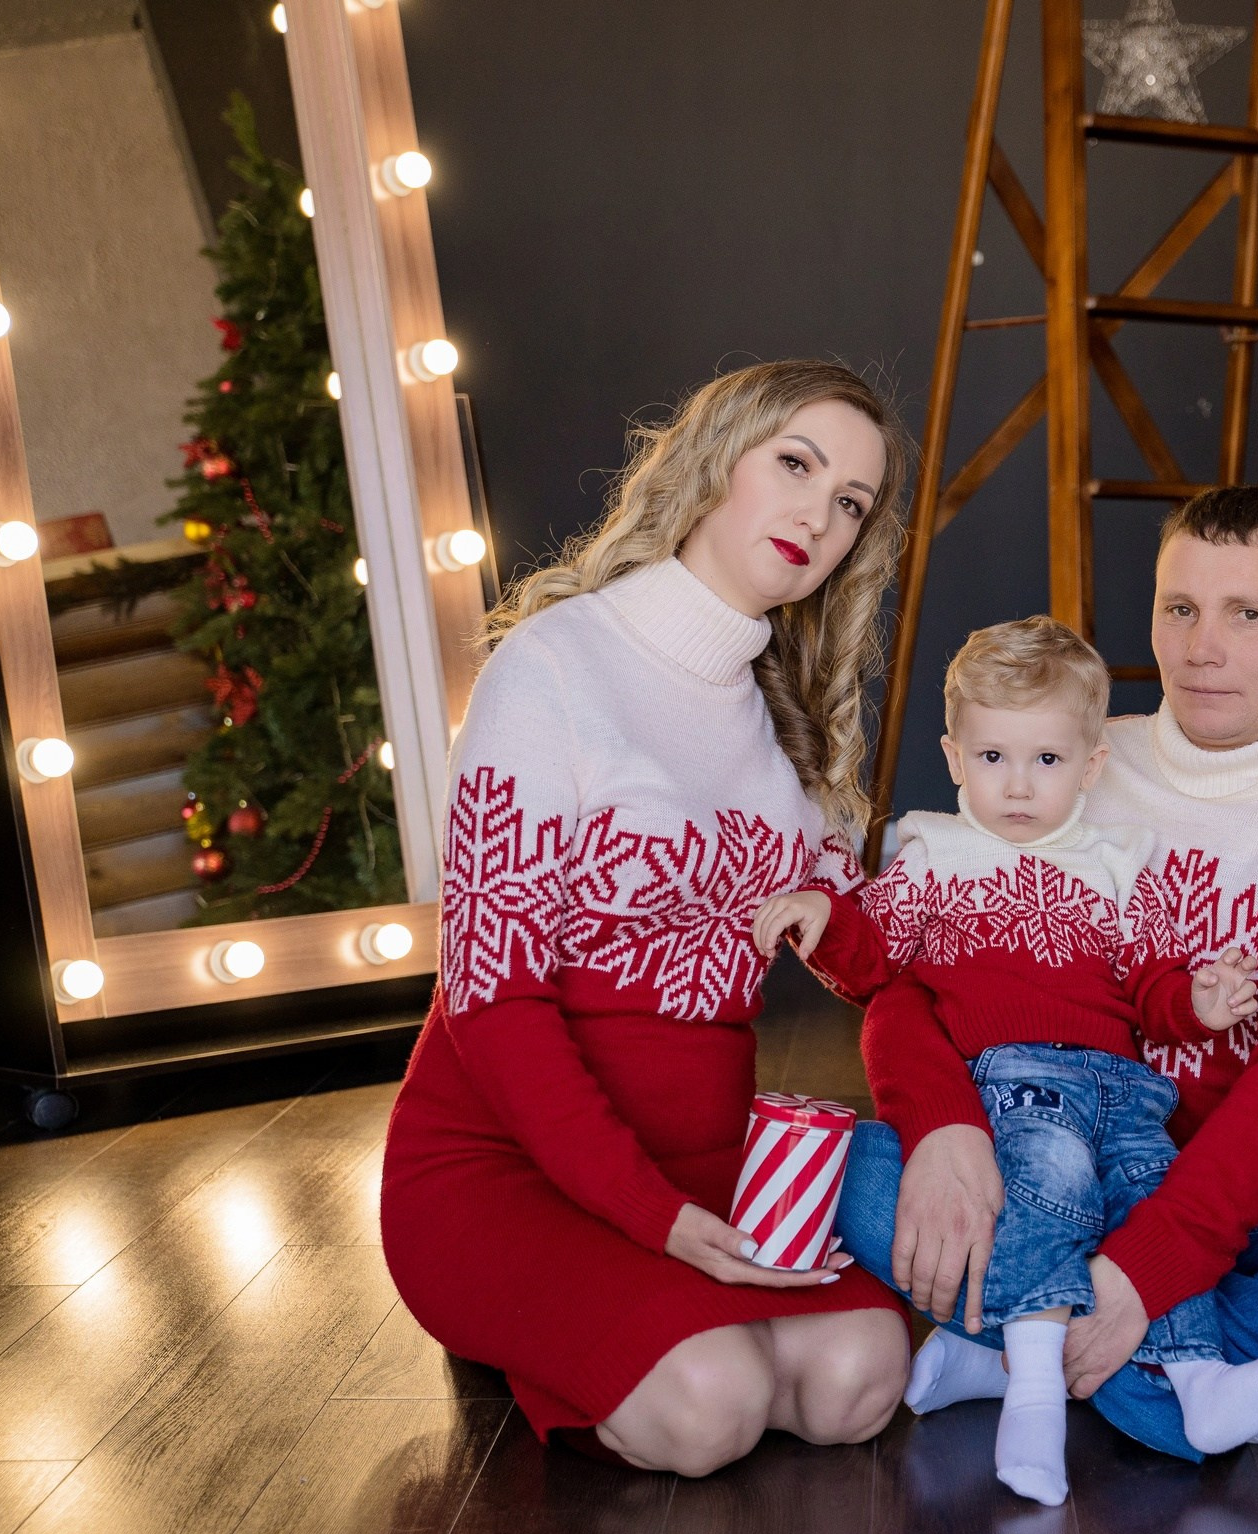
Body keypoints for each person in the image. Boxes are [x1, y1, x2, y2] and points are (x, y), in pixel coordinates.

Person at [836, 487, 1258, 1495]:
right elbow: (915, 975)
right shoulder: (1074, 763)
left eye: (1249, 615)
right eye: (1178, 610)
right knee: (841, 1162)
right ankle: (1241, 1389)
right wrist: (943, 1128)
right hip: (1057, 1166)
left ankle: (1044, 1350)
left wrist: (1141, 1271)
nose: (1202, 646)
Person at [379, 361, 917, 1476]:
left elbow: (866, 960)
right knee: (716, 1405)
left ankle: (640, 1331)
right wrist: (650, 1219)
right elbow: (491, 1000)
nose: (820, 514)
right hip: (506, 1166)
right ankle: (548, 1330)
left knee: (861, 1375)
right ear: (717, 461)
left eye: (852, 503)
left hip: (708, 1171)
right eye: (797, 465)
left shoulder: (794, 725)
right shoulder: (552, 670)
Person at [755, 617, 1258, 1505]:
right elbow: (877, 958)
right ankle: (1031, 1392)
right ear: (953, 756)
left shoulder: (1120, 864)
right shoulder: (934, 855)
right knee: (1046, 1177)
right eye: (993, 758)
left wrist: (1201, 1002)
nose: (1017, 786)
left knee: (1148, 1200)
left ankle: (1201, 1380)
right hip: (1014, 1080)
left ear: (1091, 767)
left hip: (1127, 1094)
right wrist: (830, 921)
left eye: (1047, 762)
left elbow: (1151, 984)